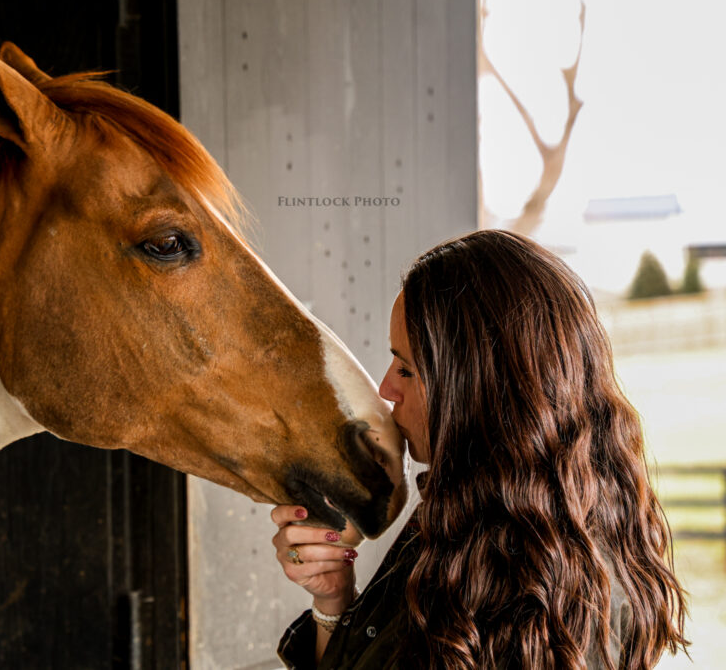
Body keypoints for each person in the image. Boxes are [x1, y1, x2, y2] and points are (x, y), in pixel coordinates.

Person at [271, 230, 689, 669]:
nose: (386, 388)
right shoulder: (467, 514)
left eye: (407, 370)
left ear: (478, 389)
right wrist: (334, 599)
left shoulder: (557, 600)